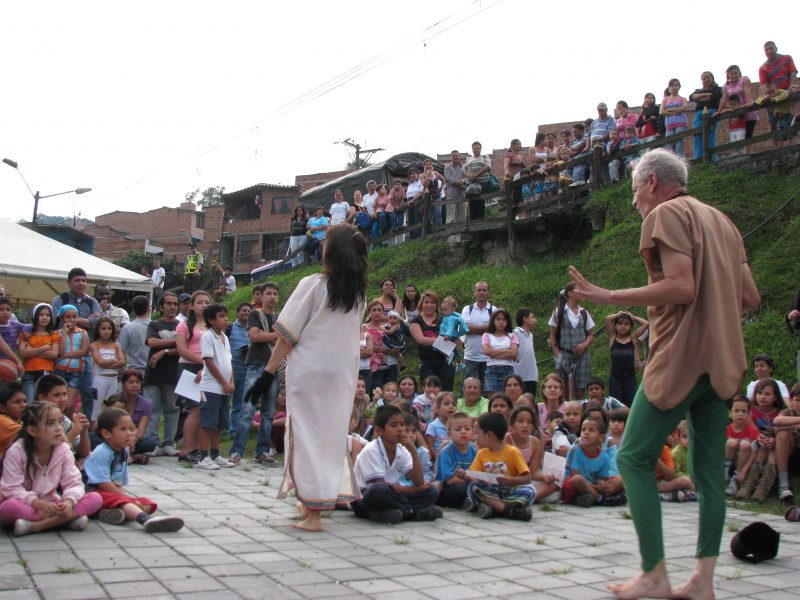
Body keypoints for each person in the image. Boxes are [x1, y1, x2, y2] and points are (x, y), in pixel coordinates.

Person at [568, 148, 760, 599]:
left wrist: (609, 295)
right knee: (710, 474)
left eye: (635, 188)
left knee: (633, 457)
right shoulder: (724, 223)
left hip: (681, 360)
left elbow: (682, 285)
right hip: (724, 364)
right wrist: (709, 313)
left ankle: (654, 574)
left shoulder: (665, 214)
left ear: (652, 182)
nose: (634, 200)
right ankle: (703, 581)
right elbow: (748, 297)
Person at [244, 224, 368, 532]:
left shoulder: (313, 284)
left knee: (305, 436)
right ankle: (309, 503)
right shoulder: (359, 295)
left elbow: (287, 334)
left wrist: (268, 372)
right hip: (341, 375)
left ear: (333, 250)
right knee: (329, 437)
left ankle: (313, 513)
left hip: (311, 373)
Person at [0, 401, 102, 536]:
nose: (59, 428)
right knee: (8, 508)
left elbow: (74, 482)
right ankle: (66, 520)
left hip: (54, 504)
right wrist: (40, 505)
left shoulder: (64, 450)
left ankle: (35, 526)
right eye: (50, 423)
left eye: (60, 422)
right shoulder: (17, 451)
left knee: (95, 498)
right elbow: (11, 488)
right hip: (27, 504)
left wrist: (68, 502)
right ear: (32, 430)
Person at [84, 407, 184, 533]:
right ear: (106, 433)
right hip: (93, 494)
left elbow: (117, 481)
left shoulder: (123, 450)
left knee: (148, 504)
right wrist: (125, 497)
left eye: (131, 429)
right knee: (126, 501)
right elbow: (103, 484)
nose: (129, 434)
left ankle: (113, 513)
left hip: (109, 493)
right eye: (123, 429)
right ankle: (145, 520)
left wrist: (127, 497)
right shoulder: (102, 452)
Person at [351, 405, 442, 524]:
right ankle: (412, 513)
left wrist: (413, 450)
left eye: (402, 424)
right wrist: (412, 490)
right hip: (365, 498)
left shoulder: (401, 449)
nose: (400, 429)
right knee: (379, 490)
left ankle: (392, 513)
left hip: (394, 494)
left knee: (432, 491)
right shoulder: (371, 450)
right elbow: (379, 485)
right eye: (394, 426)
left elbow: (419, 481)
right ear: (379, 430)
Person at [230, 283, 280, 465]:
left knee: (268, 412)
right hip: (256, 365)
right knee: (248, 409)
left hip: (273, 367)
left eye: (275, 293)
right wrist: (276, 335)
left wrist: (269, 335)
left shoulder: (280, 317)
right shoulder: (255, 314)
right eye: (269, 293)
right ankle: (237, 451)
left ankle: (262, 450)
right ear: (262, 296)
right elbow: (254, 336)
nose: (272, 296)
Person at [458, 411, 535, 521]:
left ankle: (493, 508)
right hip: (491, 491)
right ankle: (506, 510)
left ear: (489, 435)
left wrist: (511, 480)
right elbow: (473, 476)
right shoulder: (482, 453)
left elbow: (527, 478)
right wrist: (465, 476)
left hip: (510, 492)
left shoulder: (513, 452)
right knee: (473, 486)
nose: (475, 437)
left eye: (477, 433)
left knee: (530, 490)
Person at [51, 268, 102, 420]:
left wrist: (75, 320)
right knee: (61, 393)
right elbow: (57, 322)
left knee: (87, 391)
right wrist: (88, 320)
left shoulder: (91, 301)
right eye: (77, 280)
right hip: (63, 352)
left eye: (84, 280)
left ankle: (86, 427)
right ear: (68, 282)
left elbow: (100, 323)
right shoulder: (60, 299)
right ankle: (60, 423)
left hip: (85, 353)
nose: (81, 283)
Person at [195, 304, 236, 470]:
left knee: (218, 423)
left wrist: (231, 382)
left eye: (226, 315)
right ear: (211, 320)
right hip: (211, 387)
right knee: (207, 422)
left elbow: (228, 362)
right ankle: (203, 456)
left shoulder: (225, 338)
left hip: (224, 388)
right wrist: (224, 382)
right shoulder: (207, 337)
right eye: (221, 316)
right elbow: (209, 362)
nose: (226, 318)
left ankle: (215, 453)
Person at [142, 293, 180, 457]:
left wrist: (164, 351)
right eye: (169, 303)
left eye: (175, 304)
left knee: (172, 409)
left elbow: (184, 348)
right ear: (162, 306)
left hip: (173, 373)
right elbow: (151, 342)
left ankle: (169, 442)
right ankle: (152, 443)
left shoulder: (181, 325)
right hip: (153, 373)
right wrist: (176, 341)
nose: (172, 307)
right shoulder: (154, 324)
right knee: (152, 409)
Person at [175, 291, 210, 463]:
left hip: (207, 368)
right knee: (194, 409)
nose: (204, 305)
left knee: (202, 409)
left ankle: (195, 447)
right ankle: (186, 448)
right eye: (200, 302)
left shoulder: (211, 325)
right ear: (191, 305)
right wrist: (204, 362)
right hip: (190, 367)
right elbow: (182, 350)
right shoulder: (183, 325)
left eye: (206, 302)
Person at [737, 379, 784, 502]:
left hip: (774, 443)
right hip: (757, 442)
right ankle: (748, 485)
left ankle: (762, 489)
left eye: (767, 394)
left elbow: (780, 429)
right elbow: (752, 428)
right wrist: (760, 438)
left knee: (771, 451)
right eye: (759, 393)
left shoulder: (780, 412)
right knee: (762, 448)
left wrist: (773, 440)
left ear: (775, 397)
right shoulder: (751, 411)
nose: (762, 397)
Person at [549, 282, 594, 400]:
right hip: (564, 353)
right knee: (563, 388)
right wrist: (557, 354)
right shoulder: (558, 312)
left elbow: (590, 335)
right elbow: (552, 335)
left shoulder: (584, 313)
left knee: (580, 388)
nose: (582, 293)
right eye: (579, 290)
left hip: (582, 355)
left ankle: (580, 412)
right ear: (570, 293)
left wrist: (584, 345)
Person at [408, 290, 455, 392]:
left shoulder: (445, 320)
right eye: (426, 302)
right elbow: (421, 340)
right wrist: (442, 341)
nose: (429, 305)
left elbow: (456, 339)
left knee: (446, 392)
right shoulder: (416, 321)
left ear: (437, 305)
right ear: (421, 304)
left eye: (432, 302)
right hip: (427, 363)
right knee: (430, 393)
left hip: (446, 362)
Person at [605, 311, 648, 407]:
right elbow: (608, 319)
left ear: (630, 327)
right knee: (615, 404)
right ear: (615, 326)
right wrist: (619, 314)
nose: (623, 326)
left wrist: (633, 317)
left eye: (626, 324)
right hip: (615, 377)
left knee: (630, 403)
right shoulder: (612, 338)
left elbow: (646, 324)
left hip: (630, 377)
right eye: (620, 324)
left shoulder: (633, 338)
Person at [434, 411, 477, 508]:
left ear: (472, 432)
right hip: (448, 488)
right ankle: (470, 502)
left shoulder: (475, 451)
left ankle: (474, 503)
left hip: (469, 483)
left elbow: (478, 473)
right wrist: (470, 480)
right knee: (461, 490)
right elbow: (450, 480)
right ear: (449, 434)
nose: (463, 432)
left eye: (467, 429)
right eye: (458, 429)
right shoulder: (446, 452)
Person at [759, 41, 798, 144]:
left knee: (793, 118)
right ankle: (776, 150)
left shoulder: (787, 58)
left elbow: (793, 73)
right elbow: (763, 85)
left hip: (788, 92)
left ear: (776, 48)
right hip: (774, 95)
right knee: (772, 123)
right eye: (766, 50)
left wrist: (791, 87)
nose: (769, 51)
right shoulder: (763, 68)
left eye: (771, 48)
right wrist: (770, 94)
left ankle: (792, 147)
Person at [17, 303, 59, 402]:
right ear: (35, 316)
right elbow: (22, 353)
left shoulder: (53, 334)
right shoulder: (26, 334)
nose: (44, 317)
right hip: (28, 372)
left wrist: (31, 350)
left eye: (47, 315)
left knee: (45, 403)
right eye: (41, 315)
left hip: (46, 371)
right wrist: (44, 348)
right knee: (29, 401)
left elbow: (54, 354)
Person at [54, 305, 89, 417]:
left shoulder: (82, 333)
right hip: (59, 370)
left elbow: (84, 351)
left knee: (69, 405)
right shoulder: (57, 334)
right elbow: (61, 351)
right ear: (62, 318)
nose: (72, 320)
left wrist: (65, 356)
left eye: (74, 317)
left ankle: (68, 428)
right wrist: (64, 333)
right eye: (68, 317)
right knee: (57, 403)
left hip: (75, 372)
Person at [89, 317, 125, 419]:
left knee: (112, 408)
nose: (106, 331)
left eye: (109, 329)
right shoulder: (94, 345)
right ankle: (93, 432)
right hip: (99, 379)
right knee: (97, 409)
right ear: (98, 330)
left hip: (113, 379)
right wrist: (114, 361)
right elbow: (100, 363)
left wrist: (107, 363)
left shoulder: (116, 345)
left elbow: (122, 362)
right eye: (103, 328)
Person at [116, 370, 156, 462]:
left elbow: (140, 432)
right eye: (131, 382)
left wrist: (133, 440)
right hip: (114, 437)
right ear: (123, 384)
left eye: (138, 382)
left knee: (150, 444)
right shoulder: (114, 400)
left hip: (132, 437)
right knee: (94, 440)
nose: (135, 385)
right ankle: (134, 456)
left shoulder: (146, 404)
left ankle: (125, 455)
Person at [461, 281, 495, 388]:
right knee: (469, 391)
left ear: (488, 292)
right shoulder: (467, 309)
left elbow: (496, 329)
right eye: (479, 290)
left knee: (486, 393)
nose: (481, 292)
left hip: (489, 359)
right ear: (474, 293)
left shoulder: (494, 310)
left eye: (484, 290)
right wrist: (487, 328)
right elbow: (465, 328)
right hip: (471, 357)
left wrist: (473, 328)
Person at [724, 396, 759, 497]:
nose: (740, 414)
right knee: (731, 442)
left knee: (745, 444)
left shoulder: (752, 431)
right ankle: (724, 474)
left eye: (744, 411)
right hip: (727, 459)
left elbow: (754, 453)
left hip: (743, 462)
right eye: (736, 411)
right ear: (730, 413)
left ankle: (734, 481)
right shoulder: (726, 429)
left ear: (748, 414)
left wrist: (743, 472)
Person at [227, 302, 251, 438]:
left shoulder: (252, 330)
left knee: (239, 403)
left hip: (245, 370)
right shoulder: (230, 328)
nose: (246, 313)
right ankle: (223, 427)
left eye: (248, 311)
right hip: (230, 370)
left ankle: (234, 430)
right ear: (237, 312)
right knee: (225, 402)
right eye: (243, 311)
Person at [481, 309, 518, 393]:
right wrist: (506, 351)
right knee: (492, 398)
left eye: (504, 319)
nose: (501, 322)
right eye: (498, 319)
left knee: (508, 396)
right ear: (493, 320)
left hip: (508, 368)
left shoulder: (512, 336)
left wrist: (493, 352)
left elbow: (513, 353)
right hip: (491, 369)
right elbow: (487, 351)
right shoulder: (487, 335)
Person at [718, 65, 759, 140]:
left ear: (739, 73)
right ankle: (739, 152)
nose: (733, 75)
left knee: (748, 134)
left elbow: (747, 90)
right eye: (731, 73)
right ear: (728, 75)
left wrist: (750, 102)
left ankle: (748, 152)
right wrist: (719, 111)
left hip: (747, 109)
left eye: (735, 73)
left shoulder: (744, 79)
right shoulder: (726, 86)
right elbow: (724, 99)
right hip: (735, 112)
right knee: (737, 134)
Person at [689, 71, 722, 161]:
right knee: (697, 134)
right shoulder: (697, 90)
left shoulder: (717, 89)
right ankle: (698, 159)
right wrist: (706, 95)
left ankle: (712, 159)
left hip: (711, 112)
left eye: (708, 77)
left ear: (712, 78)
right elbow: (691, 97)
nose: (706, 79)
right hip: (698, 114)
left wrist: (699, 97)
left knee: (710, 134)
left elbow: (714, 97)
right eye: (704, 78)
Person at [775, 384, 800, 502]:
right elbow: (777, 420)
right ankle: (783, 484)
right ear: (791, 400)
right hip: (790, 454)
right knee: (782, 434)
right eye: (798, 400)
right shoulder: (788, 412)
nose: (799, 404)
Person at [117, 295, 151, 377]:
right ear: (149, 309)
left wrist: (121, 372)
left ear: (133, 309)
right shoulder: (155, 326)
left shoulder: (127, 328)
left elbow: (121, 353)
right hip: (152, 371)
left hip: (133, 372)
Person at [463, 141, 494, 221]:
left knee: (480, 202)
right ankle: (473, 224)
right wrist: (469, 175)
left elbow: (488, 166)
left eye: (478, 148)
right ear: (472, 149)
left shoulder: (485, 156)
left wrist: (476, 175)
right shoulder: (468, 158)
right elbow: (463, 169)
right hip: (470, 183)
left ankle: (481, 224)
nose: (476, 150)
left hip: (482, 182)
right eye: (474, 148)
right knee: (472, 203)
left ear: (480, 149)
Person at [660, 79, 690, 157]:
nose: (674, 87)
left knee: (679, 143)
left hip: (681, 123)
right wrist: (676, 111)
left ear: (679, 87)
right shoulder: (665, 100)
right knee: (669, 145)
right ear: (669, 87)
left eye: (676, 85)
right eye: (672, 85)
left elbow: (684, 108)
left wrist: (670, 109)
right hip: (669, 125)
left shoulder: (682, 98)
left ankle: (680, 162)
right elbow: (661, 112)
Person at [0, 382, 25, 458]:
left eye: (25, 401)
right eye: (17, 402)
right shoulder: (2, 420)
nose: (23, 405)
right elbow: (35, 434)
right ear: (2, 408)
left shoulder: (17, 420)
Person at [444, 150, 467, 223]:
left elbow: (466, 177)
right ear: (451, 157)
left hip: (462, 194)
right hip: (451, 195)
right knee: (451, 217)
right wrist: (459, 183)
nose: (455, 157)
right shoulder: (447, 167)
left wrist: (463, 182)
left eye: (457, 155)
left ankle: (461, 233)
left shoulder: (464, 167)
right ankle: (450, 233)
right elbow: (449, 178)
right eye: (453, 156)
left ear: (459, 157)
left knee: (462, 216)